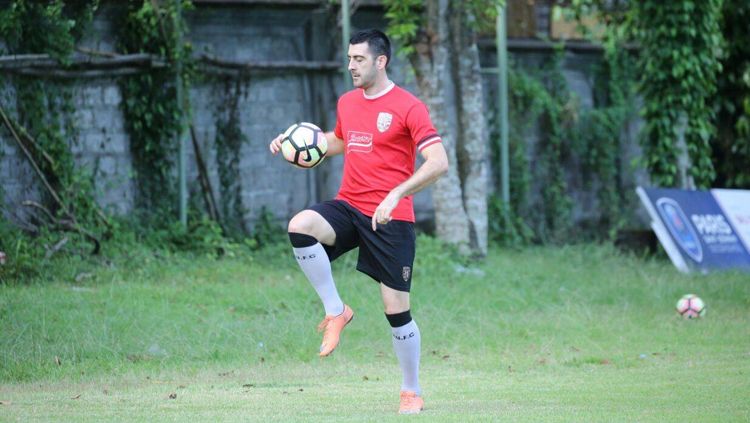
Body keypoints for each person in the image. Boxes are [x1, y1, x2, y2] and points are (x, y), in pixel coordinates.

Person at [269, 28, 448, 415]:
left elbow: (439, 162)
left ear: (381, 61)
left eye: (359, 59)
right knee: (300, 225)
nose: (351, 65)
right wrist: (293, 144)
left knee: (396, 310)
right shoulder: (348, 102)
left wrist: (397, 193)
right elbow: (339, 141)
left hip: (391, 218)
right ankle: (336, 310)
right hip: (350, 206)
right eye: (350, 58)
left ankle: (411, 391)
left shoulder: (408, 106)